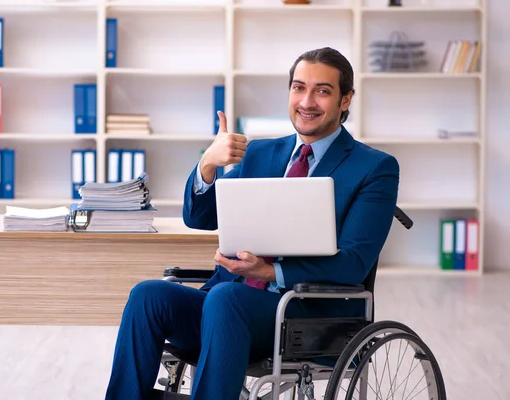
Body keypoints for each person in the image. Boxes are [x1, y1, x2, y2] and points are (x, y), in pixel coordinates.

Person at [104, 47, 399, 400]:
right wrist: (208, 165)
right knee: (147, 295)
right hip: (225, 305)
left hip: (305, 315)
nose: (306, 101)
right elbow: (200, 217)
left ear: (345, 100)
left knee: (228, 298)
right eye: (298, 88)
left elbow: (353, 263)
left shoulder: (374, 168)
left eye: (322, 91)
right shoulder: (261, 153)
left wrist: (269, 273)